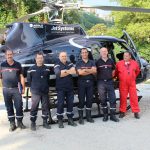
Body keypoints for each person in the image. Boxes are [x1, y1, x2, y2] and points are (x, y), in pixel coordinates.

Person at [0, 48, 26, 132]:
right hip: (6, 90)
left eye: (11, 54)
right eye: (8, 55)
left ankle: (19, 122)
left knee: (19, 106)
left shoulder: (18, 64)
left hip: (16, 89)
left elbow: (22, 77)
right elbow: (1, 78)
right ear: (5, 55)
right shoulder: (2, 65)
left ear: (13, 55)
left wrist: (23, 88)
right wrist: (2, 88)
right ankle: (12, 124)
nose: (9, 56)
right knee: (9, 107)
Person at [27, 52, 51, 131]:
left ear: (43, 59)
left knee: (45, 107)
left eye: (41, 58)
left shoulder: (47, 69)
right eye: (38, 58)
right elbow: (29, 81)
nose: (40, 59)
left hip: (44, 92)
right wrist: (33, 88)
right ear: (35, 59)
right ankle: (33, 123)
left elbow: (48, 80)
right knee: (34, 107)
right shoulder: (31, 69)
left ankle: (45, 122)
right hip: (35, 92)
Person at [54, 51, 77, 128]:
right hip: (61, 88)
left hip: (70, 87)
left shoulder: (70, 63)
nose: (64, 57)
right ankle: (60, 120)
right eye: (62, 56)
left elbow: (74, 71)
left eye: (65, 56)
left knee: (70, 103)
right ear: (59, 57)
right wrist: (68, 71)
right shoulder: (56, 64)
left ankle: (70, 119)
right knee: (60, 104)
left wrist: (65, 71)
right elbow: (58, 74)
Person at [96, 47, 119, 122]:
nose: (104, 52)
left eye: (105, 51)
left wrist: (111, 76)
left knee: (112, 99)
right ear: (100, 53)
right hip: (101, 83)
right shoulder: (97, 62)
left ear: (107, 52)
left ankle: (112, 116)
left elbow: (114, 69)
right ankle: (105, 115)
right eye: (102, 51)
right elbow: (95, 72)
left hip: (110, 82)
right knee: (103, 99)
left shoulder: (111, 61)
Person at [115, 52, 140, 119]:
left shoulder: (134, 63)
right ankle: (122, 112)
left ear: (130, 56)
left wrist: (133, 77)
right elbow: (116, 72)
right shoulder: (119, 63)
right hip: (123, 83)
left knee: (134, 97)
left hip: (132, 83)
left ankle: (136, 112)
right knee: (123, 97)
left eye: (126, 56)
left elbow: (137, 71)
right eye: (124, 56)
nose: (125, 57)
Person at [76, 48, 96, 124]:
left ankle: (88, 117)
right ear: (81, 54)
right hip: (81, 83)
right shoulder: (78, 63)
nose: (84, 54)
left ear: (87, 53)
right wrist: (89, 70)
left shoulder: (92, 62)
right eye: (83, 52)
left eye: (85, 52)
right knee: (81, 100)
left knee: (89, 100)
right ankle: (81, 118)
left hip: (90, 83)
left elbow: (94, 71)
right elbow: (80, 73)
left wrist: (84, 70)